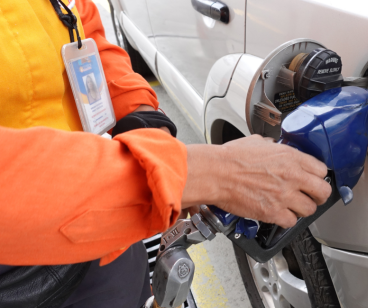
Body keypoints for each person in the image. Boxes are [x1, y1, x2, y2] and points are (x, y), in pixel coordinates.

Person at [0, 0, 331, 307]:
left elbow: (84, 32)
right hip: (23, 283)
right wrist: (204, 173)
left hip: (106, 229)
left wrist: (148, 129)